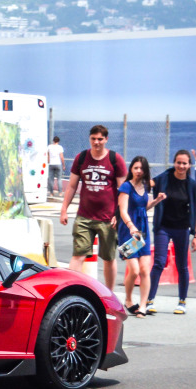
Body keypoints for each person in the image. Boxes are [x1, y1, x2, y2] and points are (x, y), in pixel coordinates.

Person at [59, 125, 127, 291]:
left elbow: (123, 190)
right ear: (89, 139)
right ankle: (71, 291)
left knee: (108, 258)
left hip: (108, 218)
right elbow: (72, 186)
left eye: (100, 139)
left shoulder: (114, 159)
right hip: (84, 217)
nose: (96, 142)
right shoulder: (81, 158)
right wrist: (64, 209)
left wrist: (119, 215)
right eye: (93, 139)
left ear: (106, 140)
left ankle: (109, 294)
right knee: (78, 255)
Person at [147, 150, 196, 315]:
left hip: (182, 228)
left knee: (182, 265)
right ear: (174, 163)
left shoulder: (191, 185)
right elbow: (150, 183)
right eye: (178, 162)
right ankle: (149, 301)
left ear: (189, 165)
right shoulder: (165, 178)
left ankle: (182, 302)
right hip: (163, 226)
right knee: (159, 263)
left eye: (184, 163)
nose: (181, 166)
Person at [117, 156, 165, 316]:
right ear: (131, 169)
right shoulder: (126, 187)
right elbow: (123, 210)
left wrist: (157, 201)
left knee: (145, 269)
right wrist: (131, 227)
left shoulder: (145, 186)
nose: (138, 171)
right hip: (128, 231)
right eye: (136, 168)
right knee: (135, 270)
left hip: (143, 230)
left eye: (141, 168)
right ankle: (129, 299)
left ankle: (143, 305)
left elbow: (143, 208)